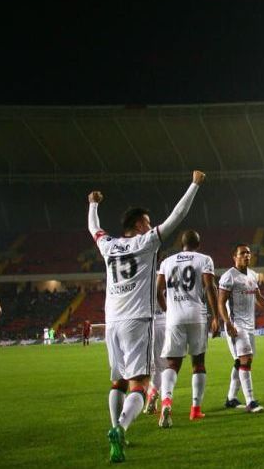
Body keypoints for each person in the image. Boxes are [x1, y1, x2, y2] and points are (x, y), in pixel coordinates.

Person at [87, 170, 204, 463]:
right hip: (138, 321)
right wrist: (194, 185)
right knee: (139, 384)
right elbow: (177, 216)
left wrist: (93, 204)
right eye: (148, 222)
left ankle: (116, 428)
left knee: (117, 381)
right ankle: (120, 428)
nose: (151, 226)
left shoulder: (108, 245)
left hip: (111, 322)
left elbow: (94, 228)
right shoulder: (146, 242)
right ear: (139, 225)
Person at [155, 230, 219, 427]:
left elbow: (158, 291)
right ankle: (195, 410)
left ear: (181, 244)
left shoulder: (167, 262)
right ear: (198, 244)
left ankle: (166, 401)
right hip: (196, 316)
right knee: (198, 363)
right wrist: (216, 317)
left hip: (174, 318)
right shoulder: (204, 259)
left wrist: (169, 311)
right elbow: (210, 287)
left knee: (172, 364)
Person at [218, 244, 264, 413]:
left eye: (248, 253)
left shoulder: (253, 275)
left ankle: (231, 398)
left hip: (250, 325)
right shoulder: (229, 276)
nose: (246, 255)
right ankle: (251, 402)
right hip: (236, 324)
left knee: (242, 361)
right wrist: (227, 323)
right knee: (246, 359)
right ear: (235, 257)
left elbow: (259, 297)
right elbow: (220, 302)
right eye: (242, 253)